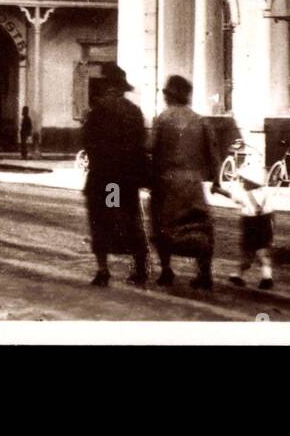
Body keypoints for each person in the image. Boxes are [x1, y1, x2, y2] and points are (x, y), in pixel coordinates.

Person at [148, 75, 219, 290]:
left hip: (166, 182)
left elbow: (150, 148)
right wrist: (216, 180)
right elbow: (214, 153)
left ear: (169, 95)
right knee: (201, 225)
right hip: (193, 183)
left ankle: (167, 270)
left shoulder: (162, 119)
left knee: (162, 225)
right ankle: (204, 273)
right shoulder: (201, 120)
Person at [81, 66, 150, 287]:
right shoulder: (134, 111)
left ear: (109, 86)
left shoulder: (97, 111)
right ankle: (139, 268)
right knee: (130, 220)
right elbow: (141, 145)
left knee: (100, 220)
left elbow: (88, 142)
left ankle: (103, 270)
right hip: (125, 178)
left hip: (103, 177)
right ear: (121, 88)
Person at [214, 160, 276, 290]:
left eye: (244, 180)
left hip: (250, 225)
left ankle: (239, 274)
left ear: (250, 182)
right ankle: (266, 276)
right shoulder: (266, 193)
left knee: (247, 253)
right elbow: (272, 214)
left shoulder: (243, 194)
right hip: (265, 224)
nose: (242, 183)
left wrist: (217, 189)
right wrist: (273, 230)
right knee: (263, 252)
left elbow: (229, 194)